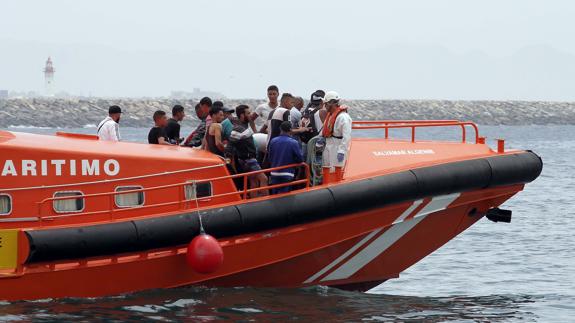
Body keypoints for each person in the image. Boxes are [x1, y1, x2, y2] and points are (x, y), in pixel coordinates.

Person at [227, 105, 268, 197]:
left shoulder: (244, 126)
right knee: (263, 179)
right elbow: (230, 146)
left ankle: (254, 201)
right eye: (248, 113)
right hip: (248, 159)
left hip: (248, 158)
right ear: (242, 115)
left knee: (253, 181)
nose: (251, 115)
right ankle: (266, 200)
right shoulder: (238, 129)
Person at [267, 121, 304, 194]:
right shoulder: (294, 142)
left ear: (280, 129)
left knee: (275, 196)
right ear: (290, 130)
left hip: (274, 173)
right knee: (285, 197)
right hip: (287, 173)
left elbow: (270, 158)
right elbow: (300, 159)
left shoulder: (273, 141)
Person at [321, 91, 352, 171]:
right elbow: (324, 129)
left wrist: (341, 151)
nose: (324, 106)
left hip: (337, 148)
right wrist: (320, 138)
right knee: (327, 169)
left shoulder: (343, 117)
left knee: (336, 171)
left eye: (326, 104)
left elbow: (346, 136)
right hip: (328, 146)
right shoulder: (330, 116)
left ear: (332, 103)